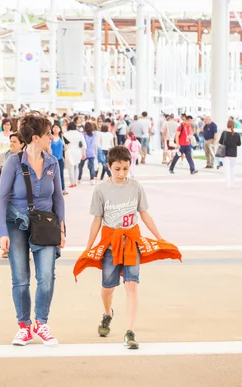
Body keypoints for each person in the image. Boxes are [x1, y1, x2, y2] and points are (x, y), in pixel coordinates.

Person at [74, 145, 180, 350]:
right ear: (108, 167)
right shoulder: (101, 190)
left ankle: (130, 331)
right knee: (108, 287)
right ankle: (107, 314)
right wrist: (89, 247)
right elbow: (97, 221)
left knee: (131, 285)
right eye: (117, 169)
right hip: (110, 243)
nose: (122, 173)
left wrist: (159, 237)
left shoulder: (136, 187)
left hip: (132, 241)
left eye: (125, 168)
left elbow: (144, 214)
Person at [0, 114, 66, 347]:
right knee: (21, 278)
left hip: (45, 224)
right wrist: (2, 231)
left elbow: (58, 197)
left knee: (46, 276)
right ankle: (24, 327)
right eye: (48, 133)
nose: (51, 136)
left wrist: (62, 227)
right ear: (36, 138)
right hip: (16, 224)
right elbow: (2, 197)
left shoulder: (52, 162)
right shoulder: (14, 162)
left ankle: (41, 323)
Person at [219, 120, 242, 188]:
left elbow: (220, 142)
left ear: (227, 125)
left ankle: (228, 183)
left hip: (225, 154)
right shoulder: (237, 134)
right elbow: (239, 144)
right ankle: (232, 183)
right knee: (232, 169)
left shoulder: (224, 133)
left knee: (227, 169)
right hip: (233, 154)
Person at [63, 123, 85, 188]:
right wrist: (83, 153)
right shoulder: (79, 134)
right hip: (77, 151)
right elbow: (84, 145)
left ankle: (72, 182)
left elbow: (64, 145)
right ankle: (75, 182)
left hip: (69, 151)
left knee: (70, 168)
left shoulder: (65, 134)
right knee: (76, 167)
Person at [49, 123, 67, 195]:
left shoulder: (62, 137)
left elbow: (66, 145)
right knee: (51, 175)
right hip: (52, 159)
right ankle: (52, 189)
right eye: (54, 127)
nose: (55, 129)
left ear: (60, 129)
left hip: (60, 159)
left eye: (57, 127)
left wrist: (65, 149)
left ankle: (62, 189)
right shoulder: (50, 137)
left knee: (61, 174)